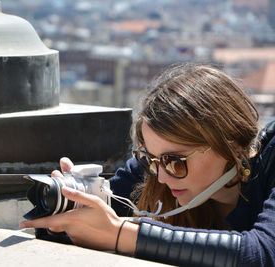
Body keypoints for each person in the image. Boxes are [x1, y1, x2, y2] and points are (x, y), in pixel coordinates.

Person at [19, 64, 275, 266]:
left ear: (229, 144)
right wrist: (69, 207)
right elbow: (89, 226)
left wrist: (120, 234)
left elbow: (261, 254)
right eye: (149, 158)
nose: (161, 176)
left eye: (175, 161)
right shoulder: (153, 167)